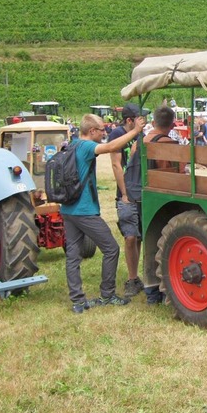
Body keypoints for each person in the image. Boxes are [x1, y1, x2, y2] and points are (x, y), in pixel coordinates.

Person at [63, 113, 145, 313]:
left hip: (68, 209)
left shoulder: (71, 145)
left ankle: (78, 300)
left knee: (73, 255)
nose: (104, 132)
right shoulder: (86, 146)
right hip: (84, 211)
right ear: (92, 131)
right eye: (101, 130)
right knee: (111, 249)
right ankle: (107, 294)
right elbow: (110, 147)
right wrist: (135, 131)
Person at [129, 107, 181, 305]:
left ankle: (151, 291)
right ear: (172, 123)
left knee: (150, 240)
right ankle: (167, 288)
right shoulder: (168, 143)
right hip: (164, 199)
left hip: (143, 196)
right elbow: (177, 174)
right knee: (168, 244)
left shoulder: (139, 143)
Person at [108, 103, 145, 298]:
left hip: (142, 193)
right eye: (139, 118)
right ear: (130, 120)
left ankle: (142, 277)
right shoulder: (116, 135)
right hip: (127, 195)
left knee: (140, 236)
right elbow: (116, 165)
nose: (143, 121)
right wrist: (124, 193)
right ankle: (132, 279)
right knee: (130, 237)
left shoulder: (141, 135)